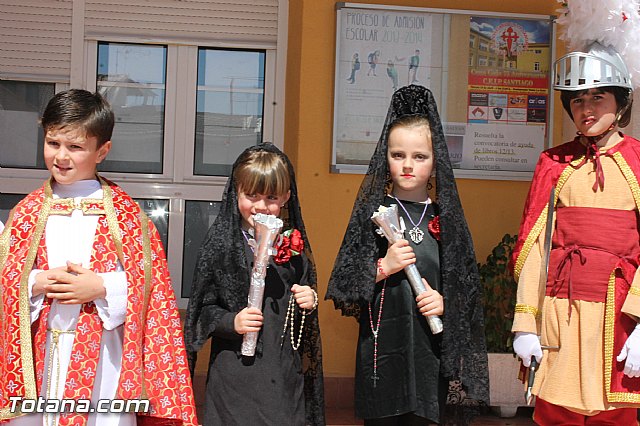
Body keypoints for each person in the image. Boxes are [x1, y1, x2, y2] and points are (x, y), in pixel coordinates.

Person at [0, 89, 198, 425]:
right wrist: (34, 281)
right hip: (39, 354)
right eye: (53, 143)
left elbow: (155, 290)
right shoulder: (27, 212)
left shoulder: (126, 215)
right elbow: (6, 276)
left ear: (102, 150)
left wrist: (102, 287)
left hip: (106, 355)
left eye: (75, 147)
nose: (61, 156)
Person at [326, 85, 488, 424]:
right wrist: (384, 266)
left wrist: (446, 303)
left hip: (430, 355)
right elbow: (344, 284)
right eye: (398, 155)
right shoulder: (373, 213)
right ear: (386, 158)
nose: (408, 166)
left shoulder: (447, 220)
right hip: (382, 353)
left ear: (436, 161)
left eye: (420, 157)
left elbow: (468, 291)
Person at [511, 29, 640, 426]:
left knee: (615, 418)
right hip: (560, 314)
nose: (586, 108)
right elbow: (537, 247)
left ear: (620, 102)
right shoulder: (554, 162)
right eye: (577, 99)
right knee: (555, 416)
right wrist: (524, 325)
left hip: (619, 318)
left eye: (597, 96)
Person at [184, 143, 325, 426]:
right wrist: (231, 321)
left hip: (282, 376)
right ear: (236, 192)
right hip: (235, 378)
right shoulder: (221, 245)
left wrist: (308, 299)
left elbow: (300, 303)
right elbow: (202, 310)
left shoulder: (293, 248)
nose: (261, 206)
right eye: (251, 195)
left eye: (271, 197)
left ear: (286, 197)